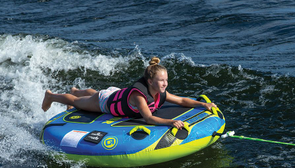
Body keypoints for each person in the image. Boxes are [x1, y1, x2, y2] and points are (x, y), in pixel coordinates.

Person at [42, 57, 217, 129]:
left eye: (166, 80)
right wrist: (171, 122)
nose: (165, 83)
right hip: (106, 103)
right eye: (162, 81)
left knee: (93, 94)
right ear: (150, 82)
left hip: (114, 94)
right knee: (76, 102)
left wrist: (203, 104)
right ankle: (52, 96)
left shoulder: (160, 91)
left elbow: (181, 101)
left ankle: (77, 90)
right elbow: (149, 119)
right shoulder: (140, 97)